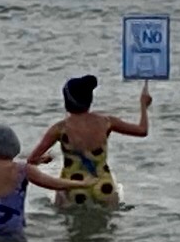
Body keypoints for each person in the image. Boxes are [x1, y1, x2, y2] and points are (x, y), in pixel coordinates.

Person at [28, 76, 152, 209]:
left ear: (66, 101)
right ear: (90, 99)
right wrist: (143, 105)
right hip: (104, 185)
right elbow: (142, 131)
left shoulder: (60, 128)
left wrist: (44, 159)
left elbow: (31, 160)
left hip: (72, 186)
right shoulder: (106, 122)